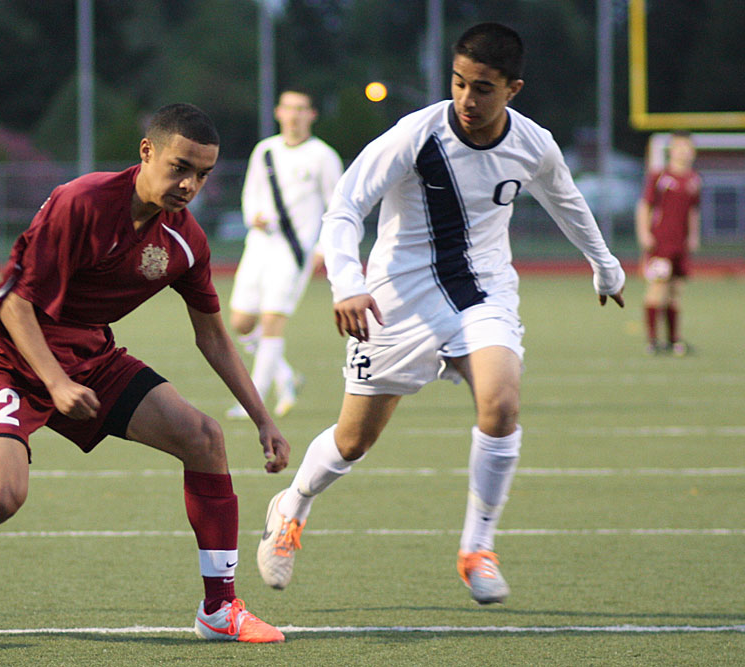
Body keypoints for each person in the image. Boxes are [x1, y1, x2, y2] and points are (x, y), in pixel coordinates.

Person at [256, 23, 625, 605]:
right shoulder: (416, 134)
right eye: (458, 83)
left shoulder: (534, 144)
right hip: (395, 302)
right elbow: (346, 204)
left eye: (483, 88)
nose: (467, 99)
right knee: (353, 441)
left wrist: (605, 265)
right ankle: (292, 505)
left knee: (501, 403)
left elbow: (566, 200)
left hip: (483, 293)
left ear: (513, 89)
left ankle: (477, 549)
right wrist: (347, 283)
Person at [0, 103, 288, 643]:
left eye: (203, 175)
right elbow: (15, 305)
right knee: (1, 497)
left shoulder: (186, 241)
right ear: (147, 152)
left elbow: (212, 335)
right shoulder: (81, 202)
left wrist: (262, 419)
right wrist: (55, 383)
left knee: (205, 438)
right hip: (9, 358)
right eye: (180, 167)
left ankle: (219, 609)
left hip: (90, 359)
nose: (190, 185)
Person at [226, 90, 344, 419]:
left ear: (312, 114)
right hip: (259, 246)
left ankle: (254, 402)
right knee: (241, 322)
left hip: (293, 251)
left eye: (301, 109)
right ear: (278, 112)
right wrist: (253, 216)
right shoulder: (265, 150)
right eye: (289, 108)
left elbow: (337, 206)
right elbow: (251, 192)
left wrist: (323, 248)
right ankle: (285, 376)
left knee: (272, 320)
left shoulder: (323, 156)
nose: (294, 115)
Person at [635, 131, 701, 356]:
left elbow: (693, 211)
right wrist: (644, 233)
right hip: (661, 242)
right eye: (679, 147)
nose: (683, 151)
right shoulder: (660, 177)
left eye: (687, 147)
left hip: (680, 244)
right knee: (658, 287)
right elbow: (645, 205)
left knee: (676, 291)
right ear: (671, 150)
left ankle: (673, 340)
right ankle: (652, 341)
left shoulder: (693, 180)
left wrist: (693, 235)